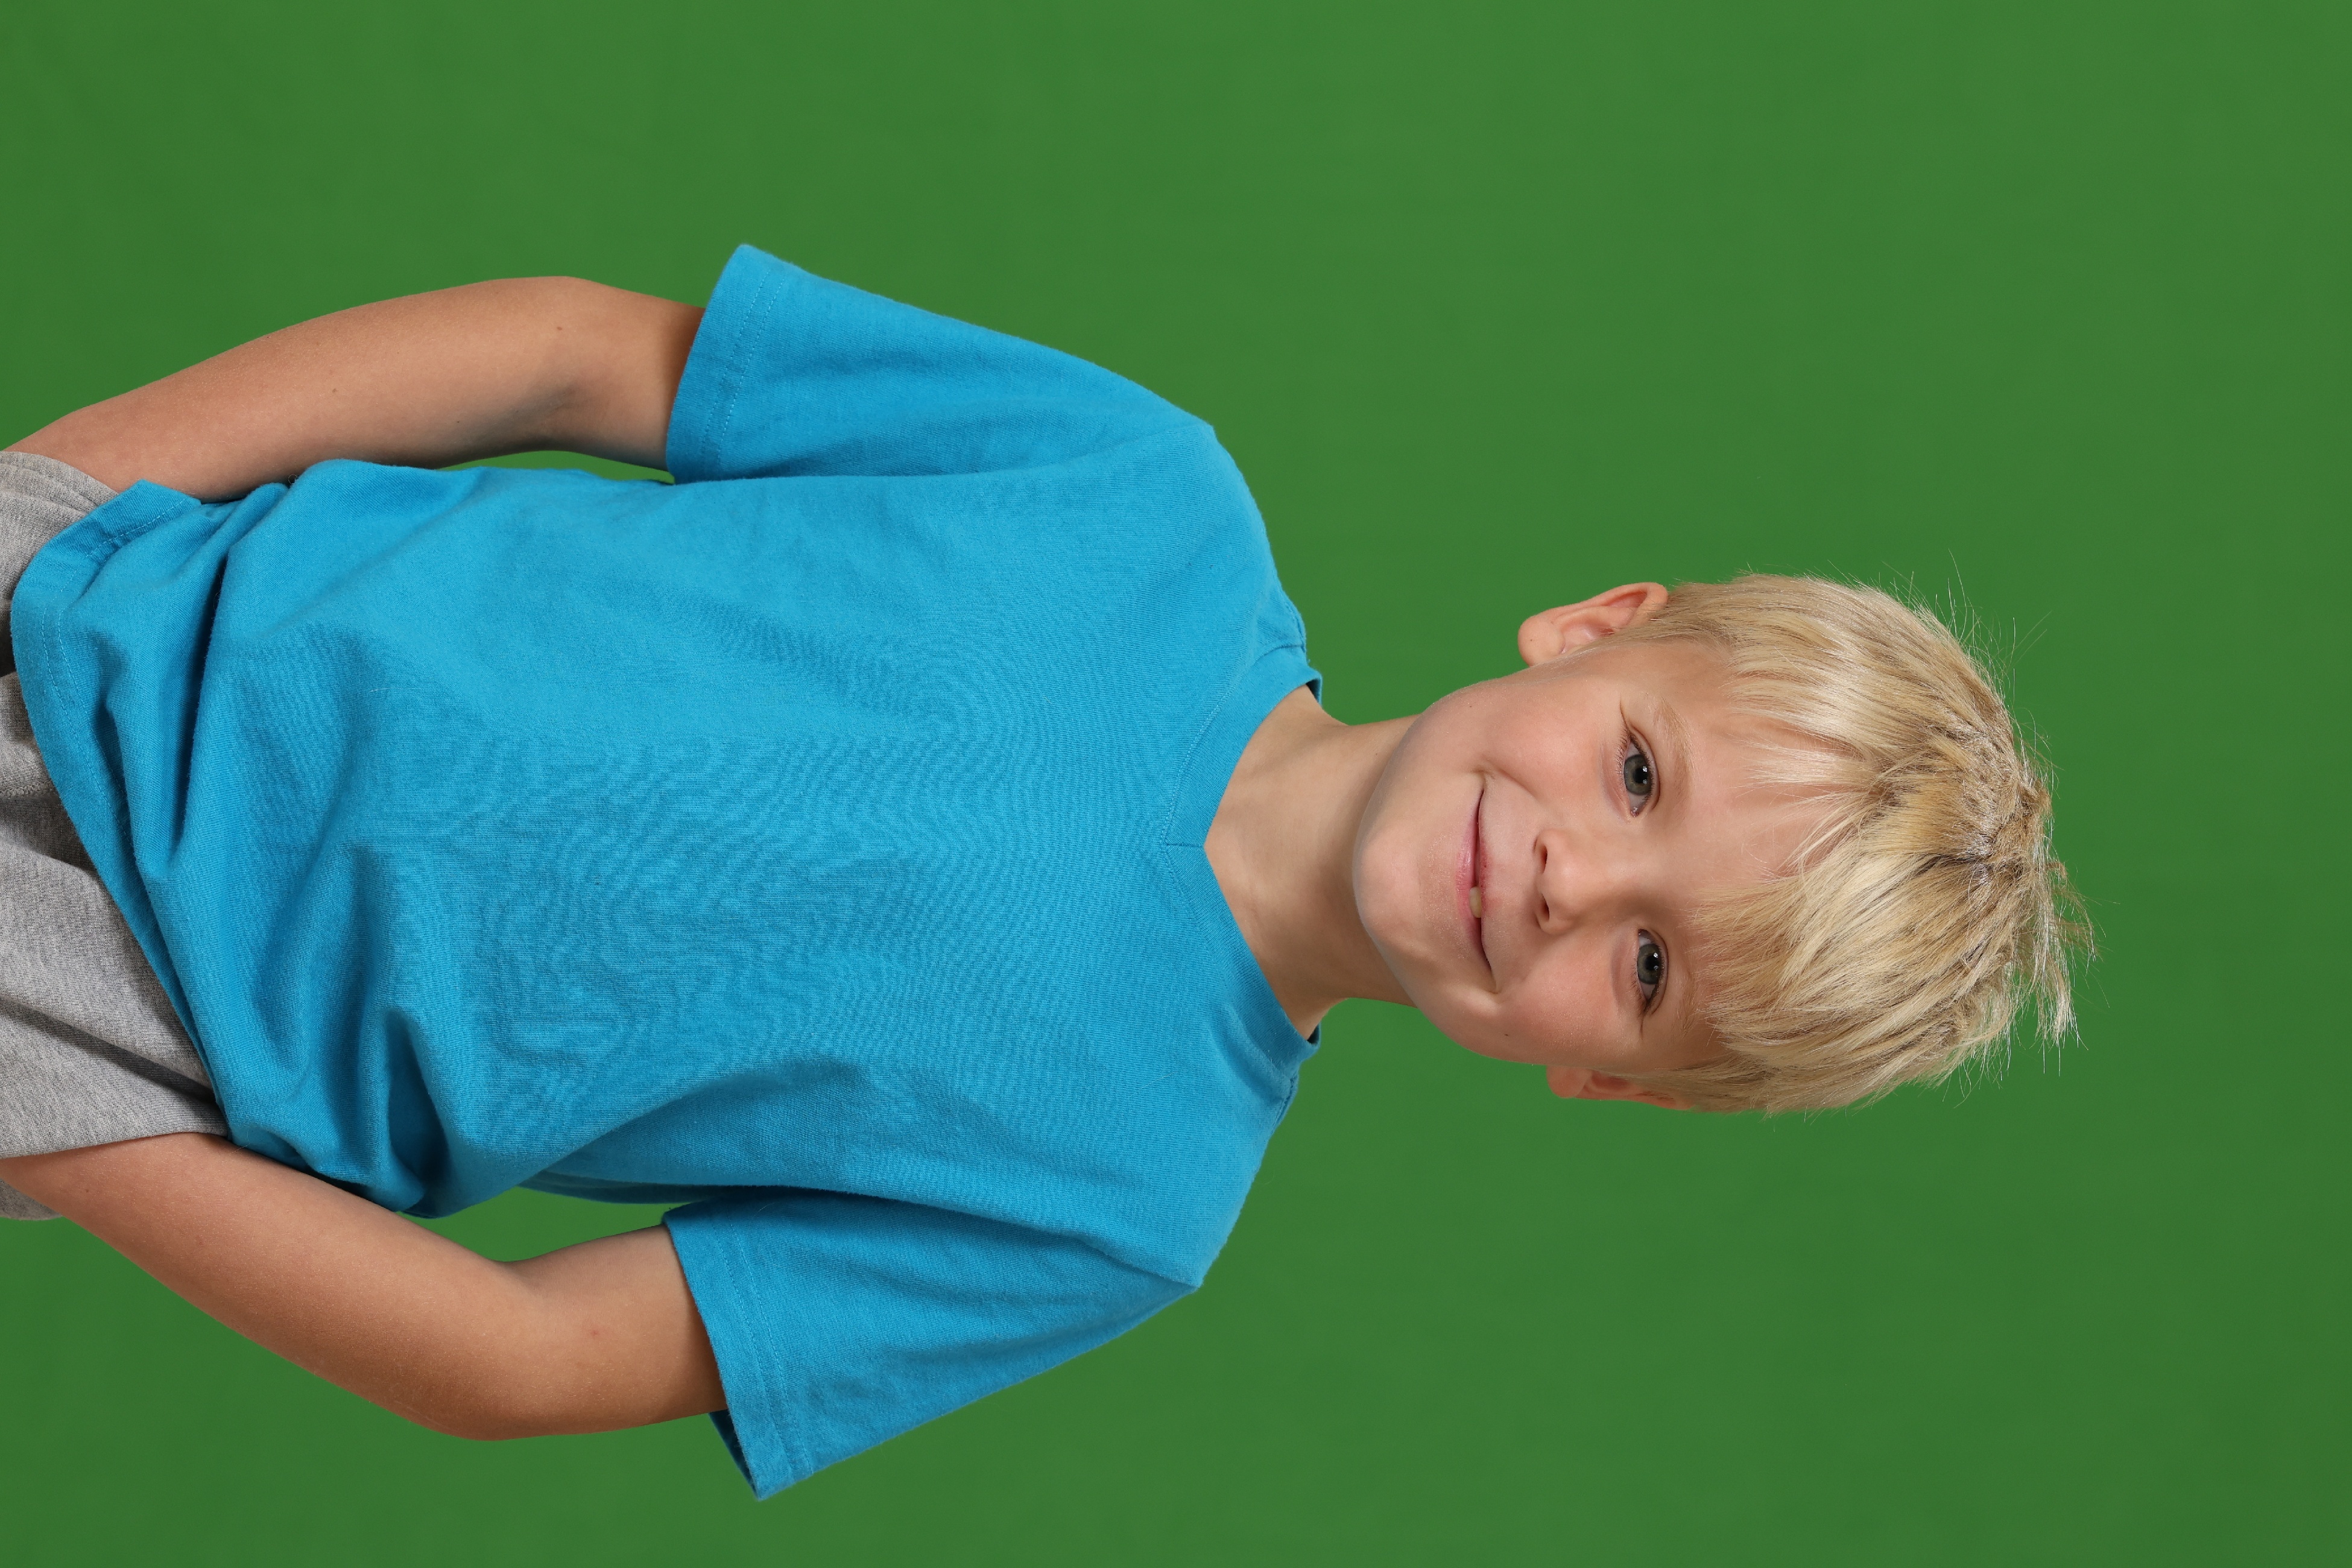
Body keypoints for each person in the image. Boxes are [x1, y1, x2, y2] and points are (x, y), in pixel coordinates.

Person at [0, 247, 2078, 1497]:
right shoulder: (1140, 489)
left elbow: (525, 1363)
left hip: (115, 1035)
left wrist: (75, 1112)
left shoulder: (1124, 1209)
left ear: (1607, 1078)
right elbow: (577, 352)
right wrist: (65, 487)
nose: (1563, 880)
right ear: (1599, 625)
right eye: (1635, 774)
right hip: (91, 597)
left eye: (1646, 967)